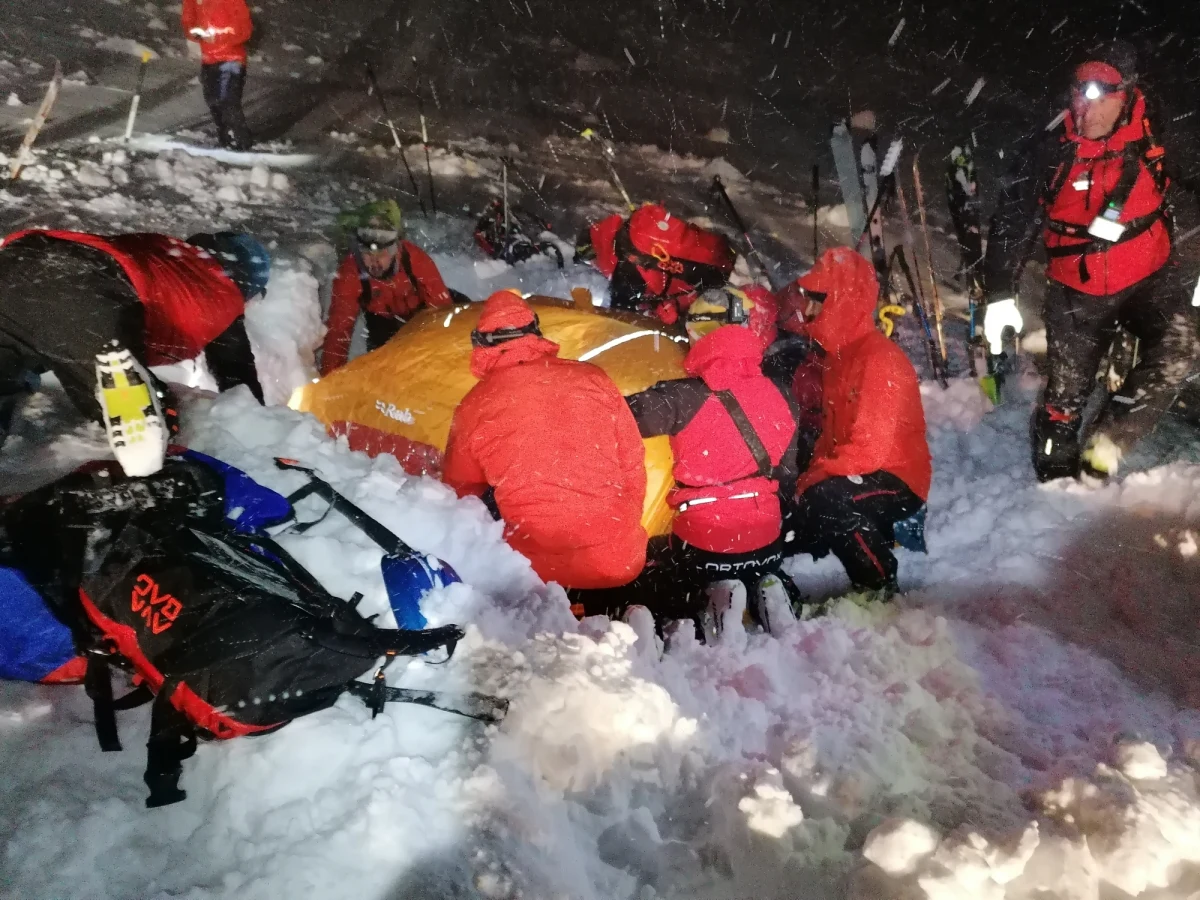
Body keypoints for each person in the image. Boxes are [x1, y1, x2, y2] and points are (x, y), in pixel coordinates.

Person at [983, 40, 1200, 481]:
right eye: (1078, 91)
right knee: (1064, 402)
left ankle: (1110, 442)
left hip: (1149, 274)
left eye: (1101, 95)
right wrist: (1000, 293)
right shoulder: (1049, 148)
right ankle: (1054, 479)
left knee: (1181, 348)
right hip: (1076, 288)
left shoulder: (1158, 135)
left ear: (1127, 95)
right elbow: (1012, 221)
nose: (1086, 107)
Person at [0, 229, 269, 476]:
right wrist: (265, 425)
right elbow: (238, 375)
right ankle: (132, 408)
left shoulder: (164, 249)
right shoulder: (224, 294)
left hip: (21, 257)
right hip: (83, 296)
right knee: (145, 424)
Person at [441, 291, 648, 589]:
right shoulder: (593, 378)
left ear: (480, 344)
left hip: (534, 572)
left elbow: (460, 493)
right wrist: (620, 525)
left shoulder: (473, 405)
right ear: (535, 332)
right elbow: (632, 460)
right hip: (619, 560)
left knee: (485, 492)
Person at [616, 321, 803, 631]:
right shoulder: (782, 395)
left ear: (704, 353)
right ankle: (766, 588)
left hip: (706, 547)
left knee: (654, 557)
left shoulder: (683, 396)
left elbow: (621, 416)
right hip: (767, 541)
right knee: (752, 561)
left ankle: (713, 598)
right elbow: (787, 474)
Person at [786, 247, 931, 597]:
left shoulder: (878, 360)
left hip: (897, 477)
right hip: (864, 471)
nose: (808, 307)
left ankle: (878, 583)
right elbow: (830, 436)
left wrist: (813, 481)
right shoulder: (839, 357)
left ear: (840, 302)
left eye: (817, 298)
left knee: (826, 499)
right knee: (801, 503)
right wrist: (806, 480)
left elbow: (869, 450)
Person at [320, 200, 453, 375]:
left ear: (393, 250)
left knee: (463, 318)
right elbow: (338, 332)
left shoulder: (415, 260)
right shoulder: (350, 274)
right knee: (388, 367)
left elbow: (442, 311)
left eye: (381, 253)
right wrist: (329, 380)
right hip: (383, 321)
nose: (374, 261)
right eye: (367, 253)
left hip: (422, 313)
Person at [575, 203, 736, 325]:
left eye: (591, 260)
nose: (594, 265)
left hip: (715, 273)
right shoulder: (628, 232)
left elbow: (622, 319)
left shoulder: (626, 266)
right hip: (714, 252)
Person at [182, 0, 254, 151]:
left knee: (227, 99)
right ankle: (225, 137)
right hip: (209, 59)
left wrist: (220, 37)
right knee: (213, 101)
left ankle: (240, 139)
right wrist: (197, 33)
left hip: (231, 58)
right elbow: (188, 22)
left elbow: (245, 30)